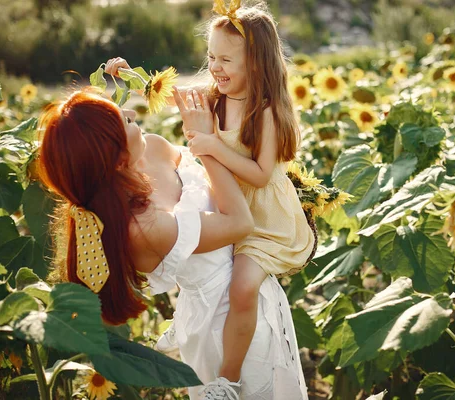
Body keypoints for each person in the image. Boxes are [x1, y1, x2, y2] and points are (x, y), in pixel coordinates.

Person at [37, 89, 308, 400]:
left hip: (255, 288)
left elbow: (218, 179)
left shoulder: (150, 148)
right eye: (124, 120)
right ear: (118, 159)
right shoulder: (144, 227)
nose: (134, 115)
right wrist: (204, 142)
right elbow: (239, 223)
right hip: (221, 322)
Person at [106, 2, 315, 397]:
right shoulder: (214, 95)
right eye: (210, 57)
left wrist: (212, 147)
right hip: (227, 199)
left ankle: (228, 380)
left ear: (255, 63)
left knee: (241, 289)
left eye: (225, 59)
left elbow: (261, 174)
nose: (214, 67)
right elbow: (167, 95)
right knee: (201, 259)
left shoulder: (265, 111)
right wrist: (130, 75)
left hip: (262, 219)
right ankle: (190, 320)